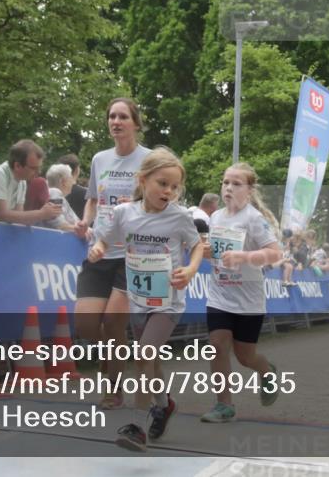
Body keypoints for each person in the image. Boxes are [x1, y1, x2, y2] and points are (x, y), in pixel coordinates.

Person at [87, 147, 204, 451]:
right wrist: (98, 248)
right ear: (142, 180)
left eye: (174, 187)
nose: (169, 191)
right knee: (149, 362)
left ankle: (136, 426)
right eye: (162, 183)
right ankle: (164, 404)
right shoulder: (125, 213)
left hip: (168, 302)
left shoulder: (178, 217)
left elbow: (198, 246)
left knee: (142, 357)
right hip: (138, 299)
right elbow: (104, 236)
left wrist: (190, 269)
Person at [72, 97, 151, 410]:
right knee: (87, 325)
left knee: (114, 322)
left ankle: (114, 389)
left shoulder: (149, 160)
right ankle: (113, 358)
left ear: (135, 123)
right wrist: (85, 221)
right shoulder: (99, 159)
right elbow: (92, 199)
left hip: (131, 254)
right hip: (99, 249)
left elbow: (159, 198)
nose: (116, 122)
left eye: (123, 117)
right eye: (111, 117)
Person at [202, 162, 283, 423]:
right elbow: (215, 253)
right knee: (216, 346)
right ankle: (224, 405)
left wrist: (244, 256)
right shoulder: (215, 217)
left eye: (236, 184)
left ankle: (267, 371)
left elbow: (274, 253)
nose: (229, 188)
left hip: (248, 299)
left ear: (249, 190)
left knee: (245, 356)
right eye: (226, 182)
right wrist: (206, 253)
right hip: (219, 294)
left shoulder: (253, 218)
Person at [0, 139, 61, 225]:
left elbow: (18, 217)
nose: (38, 172)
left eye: (39, 168)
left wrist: (48, 214)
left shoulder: (22, 181)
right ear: (17, 166)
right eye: (34, 168)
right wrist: (41, 214)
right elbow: (1, 215)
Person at [45, 163, 80, 229]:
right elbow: (58, 224)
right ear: (63, 182)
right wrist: (80, 230)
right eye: (71, 178)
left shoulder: (57, 195)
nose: (73, 182)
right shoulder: (54, 192)